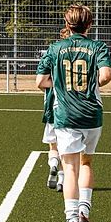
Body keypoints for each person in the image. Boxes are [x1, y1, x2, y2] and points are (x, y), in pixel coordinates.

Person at [36, 4, 111, 222]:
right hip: (91, 113)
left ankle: (71, 221)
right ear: (89, 24)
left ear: (67, 24)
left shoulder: (55, 48)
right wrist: (90, 84)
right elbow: (106, 76)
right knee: (87, 162)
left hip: (66, 115)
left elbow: (41, 81)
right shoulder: (98, 47)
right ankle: (84, 211)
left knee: (69, 168)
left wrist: (60, 85)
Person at [43, 28, 71, 193]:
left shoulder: (53, 52)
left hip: (52, 102)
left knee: (53, 146)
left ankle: (53, 164)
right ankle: (61, 179)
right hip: (70, 104)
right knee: (67, 148)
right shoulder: (77, 53)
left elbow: (41, 81)